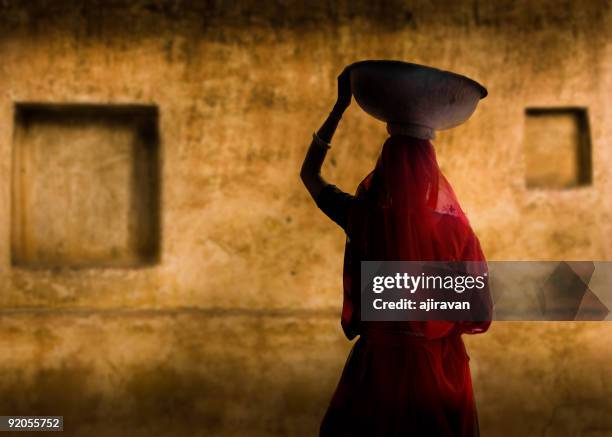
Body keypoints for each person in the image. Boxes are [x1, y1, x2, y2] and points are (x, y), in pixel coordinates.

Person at [300, 67, 492, 437]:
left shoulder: (361, 216)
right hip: (437, 374)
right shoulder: (456, 231)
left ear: (383, 167)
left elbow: (311, 175)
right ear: (431, 174)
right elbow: (480, 310)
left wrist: (340, 107)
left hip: (376, 371)